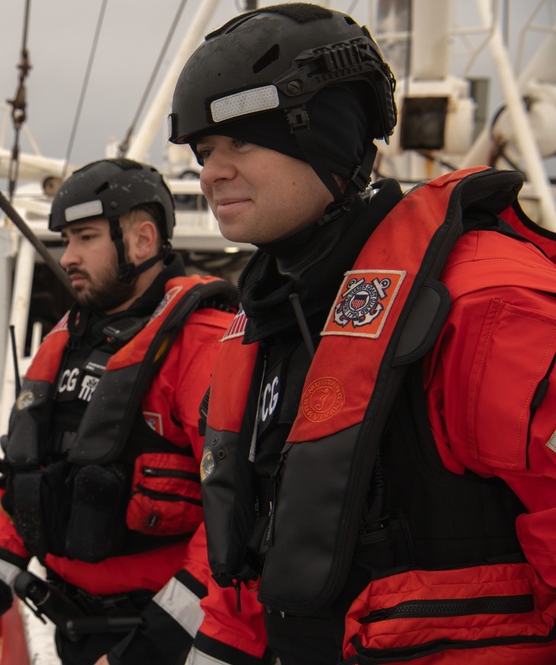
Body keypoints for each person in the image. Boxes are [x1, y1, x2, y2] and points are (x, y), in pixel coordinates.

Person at [167, 3, 556, 664]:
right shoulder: (263, 324)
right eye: (204, 152)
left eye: (240, 142)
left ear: (325, 136)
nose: (210, 172)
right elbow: (254, 563)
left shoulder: (487, 305)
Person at [0, 158, 269, 665]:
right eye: (66, 239)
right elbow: (29, 480)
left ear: (141, 240)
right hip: (75, 631)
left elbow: (239, 517)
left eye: (85, 237)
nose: (67, 255)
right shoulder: (63, 343)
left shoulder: (202, 348)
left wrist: (148, 649)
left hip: (163, 636)